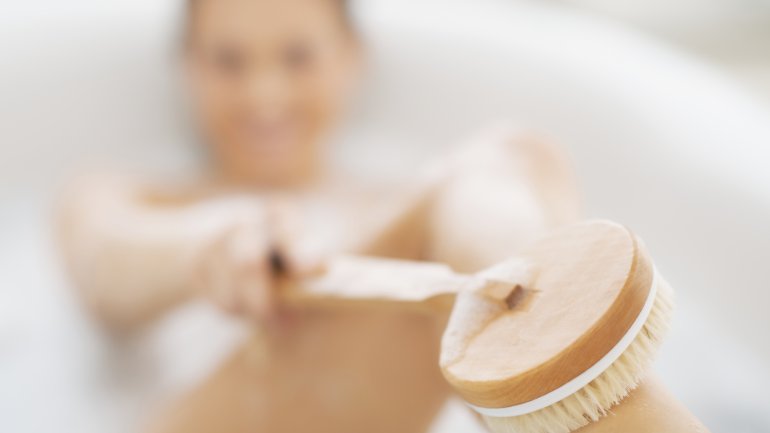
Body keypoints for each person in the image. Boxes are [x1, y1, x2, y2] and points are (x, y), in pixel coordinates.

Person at [57, 0, 579, 432]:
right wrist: (205, 249)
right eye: (228, 61)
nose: (264, 94)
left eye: (298, 57)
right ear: (188, 66)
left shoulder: (414, 207)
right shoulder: (124, 195)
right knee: (505, 163)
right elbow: (104, 267)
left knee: (518, 168)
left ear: (352, 59)